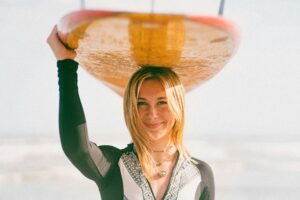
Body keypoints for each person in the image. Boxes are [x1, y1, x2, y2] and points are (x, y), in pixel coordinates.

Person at [47, 25, 214, 200]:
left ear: (177, 105)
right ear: (131, 109)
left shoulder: (200, 175)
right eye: (141, 103)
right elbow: (77, 149)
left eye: (162, 102)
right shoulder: (114, 166)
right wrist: (66, 65)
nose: (152, 113)